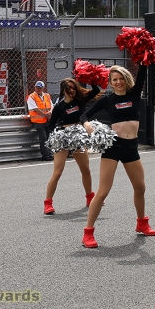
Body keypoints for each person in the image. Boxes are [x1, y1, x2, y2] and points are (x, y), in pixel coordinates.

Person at [81, 64, 155, 248]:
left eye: (121, 78)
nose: (118, 82)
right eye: (114, 79)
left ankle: (141, 223)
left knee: (140, 187)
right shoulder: (107, 100)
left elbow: (143, 73)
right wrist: (87, 125)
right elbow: (84, 115)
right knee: (103, 191)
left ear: (126, 79)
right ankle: (88, 233)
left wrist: (143, 57)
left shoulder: (134, 94)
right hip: (113, 147)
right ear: (110, 82)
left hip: (131, 147)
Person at [43, 78, 100, 215]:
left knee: (85, 169)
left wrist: (90, 77)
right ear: (63, 90)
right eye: (69, 89)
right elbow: (51, 126)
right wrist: (55, 137)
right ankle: (48, 203)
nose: (72, 91)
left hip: (78, 136)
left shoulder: (80, 100)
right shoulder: (59, 107)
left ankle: (89, 197)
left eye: (74, 88)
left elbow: (96, 91)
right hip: (63, 137)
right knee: (57, 171)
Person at [26, 81, 54, 160]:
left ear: (43, 88)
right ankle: (45, 155)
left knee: (49, 137)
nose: (37, 89)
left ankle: (49, 154)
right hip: (38, 121)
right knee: (43, 138)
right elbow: (35, 108)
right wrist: (45, 114)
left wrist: (50, 112)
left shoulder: (47, 95)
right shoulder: (31, 96)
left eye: (39, 88)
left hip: (47, 120)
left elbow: (51, 105)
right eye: (36, 87)